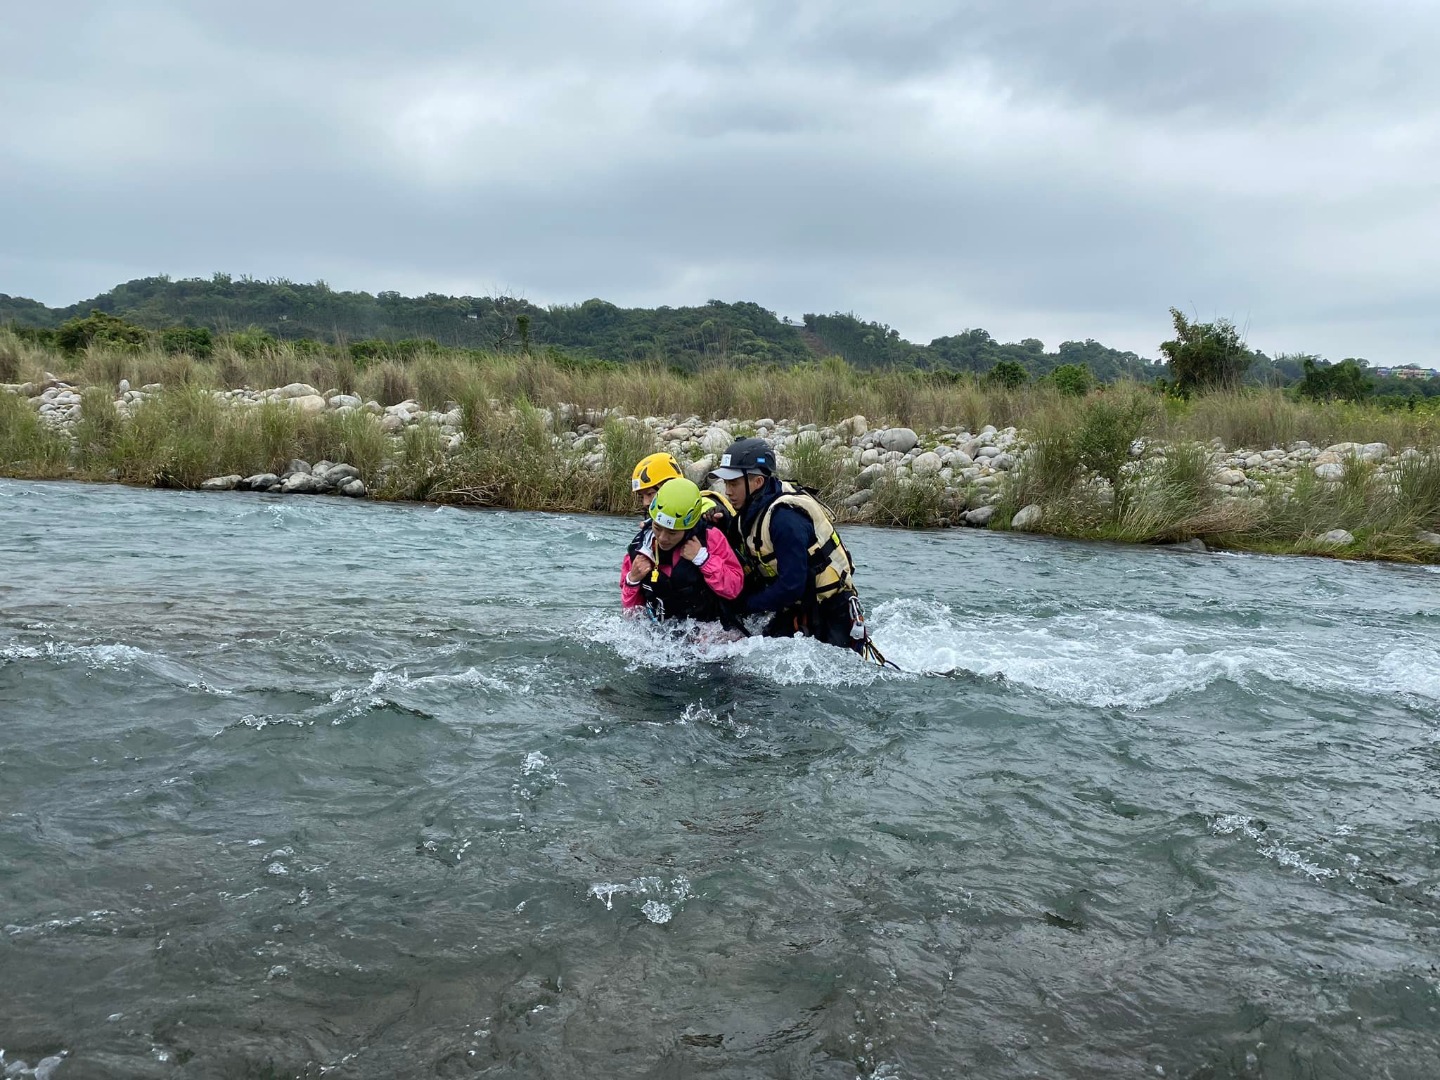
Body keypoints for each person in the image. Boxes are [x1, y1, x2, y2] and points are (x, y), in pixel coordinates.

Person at [709, 437, 876, 655]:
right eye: (726, 484)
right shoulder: (754, 506)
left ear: (757, 482)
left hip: (830, 613)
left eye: (734, 484)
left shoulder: (785, 520)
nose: (728, 491)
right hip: (798, 608)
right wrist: (723, 524)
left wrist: (744, 604)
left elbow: (791, 587)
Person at [621, 478, 746, 633]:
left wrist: (704, 559)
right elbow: (630, 615)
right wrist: (632, 581)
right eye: (657, 528)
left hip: (709, 631)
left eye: (672, 532)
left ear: (688, 527)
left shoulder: (711, 539)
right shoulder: (639, 548)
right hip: (661, 634)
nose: (663, 538)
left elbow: (734, 589)